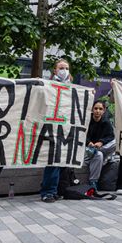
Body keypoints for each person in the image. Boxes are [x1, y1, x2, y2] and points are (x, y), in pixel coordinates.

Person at [39, 59, 72, 203]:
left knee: (60, 161)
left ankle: (55, 190)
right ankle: (47, 192)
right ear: (55, 70)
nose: (64, 70)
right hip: (52, 127)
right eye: (61, 67)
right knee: (53, 161)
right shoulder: (48, 85)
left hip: (66, 128)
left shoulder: (73, 87)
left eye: (66, 67)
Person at [84, 101, 115, 190]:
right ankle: (93, 181)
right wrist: (88, 142)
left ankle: (96, 151)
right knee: (99, 155)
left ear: (104, 110)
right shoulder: (87, 120)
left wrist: (101, 142)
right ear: (92, 109)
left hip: (99, 147)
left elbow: (110, 136)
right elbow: (81, 134)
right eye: (96, 108)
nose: (98, 111)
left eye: (100, 109)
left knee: (115, 142)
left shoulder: (106, 122)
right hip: (87, 149)